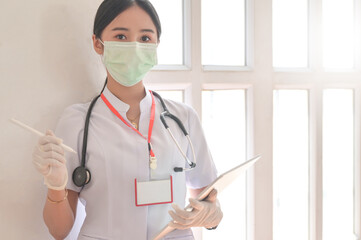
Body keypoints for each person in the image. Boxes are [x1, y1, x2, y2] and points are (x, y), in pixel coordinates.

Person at [32, 0, 223, 239]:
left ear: (156, 45)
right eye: (121, 36)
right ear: (97, 43)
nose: (134, 46)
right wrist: (56, 187)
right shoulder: (77, 122)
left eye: (144, 38)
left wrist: (211, 213)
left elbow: (208, 199)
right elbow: (60, 231)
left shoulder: (183, 118)